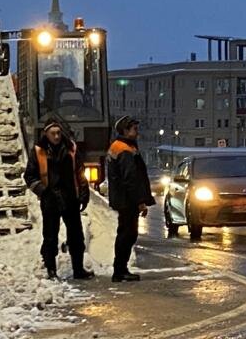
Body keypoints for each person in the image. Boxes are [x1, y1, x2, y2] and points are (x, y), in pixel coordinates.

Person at [24, 118, 94, 280]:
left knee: (76, 236)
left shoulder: (71, 149)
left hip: (70, 197)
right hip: (50, 199)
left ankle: (78, 269)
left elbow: (79, 172)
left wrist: (84, 192)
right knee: (50, 235)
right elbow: (29, 175)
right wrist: (43, 191)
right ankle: (51, 269)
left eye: (58, 133)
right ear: (46, 134)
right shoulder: (38, 151)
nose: (56, 136)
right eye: (53, 133)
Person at [107, 115, 156, 282]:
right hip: (127, 200)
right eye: (134, 129)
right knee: (128, 234)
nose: (137, 132)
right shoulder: (124, 150)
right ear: (125, 130)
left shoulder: (121, 146)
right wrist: (140, 202)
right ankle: (120, 270)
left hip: (123, 199)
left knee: (126, 233)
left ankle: (120, 269)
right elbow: (131, 179)